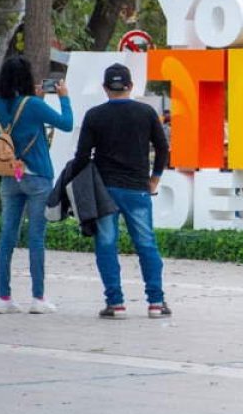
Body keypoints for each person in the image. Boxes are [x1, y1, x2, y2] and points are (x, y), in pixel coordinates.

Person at [72, 63, 171, 319]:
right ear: (130, 86)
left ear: (106, 88)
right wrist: (155, 179)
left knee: (106, 244)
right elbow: (163, 148)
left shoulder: (94, 116)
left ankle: (115, 304)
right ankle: (156, 303)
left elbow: (82, 156)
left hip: (105, 191)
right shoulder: (146, 113)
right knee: (146, 244)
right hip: (138, 189)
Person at [0, 55, 73, 314]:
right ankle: (38, 298)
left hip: (9, 176)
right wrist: (63, 97)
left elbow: (7, 134)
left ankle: (3, 298)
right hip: (37, 177)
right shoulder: (34, 105)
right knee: (36, 236)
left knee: (7, 237)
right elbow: (67, 124)